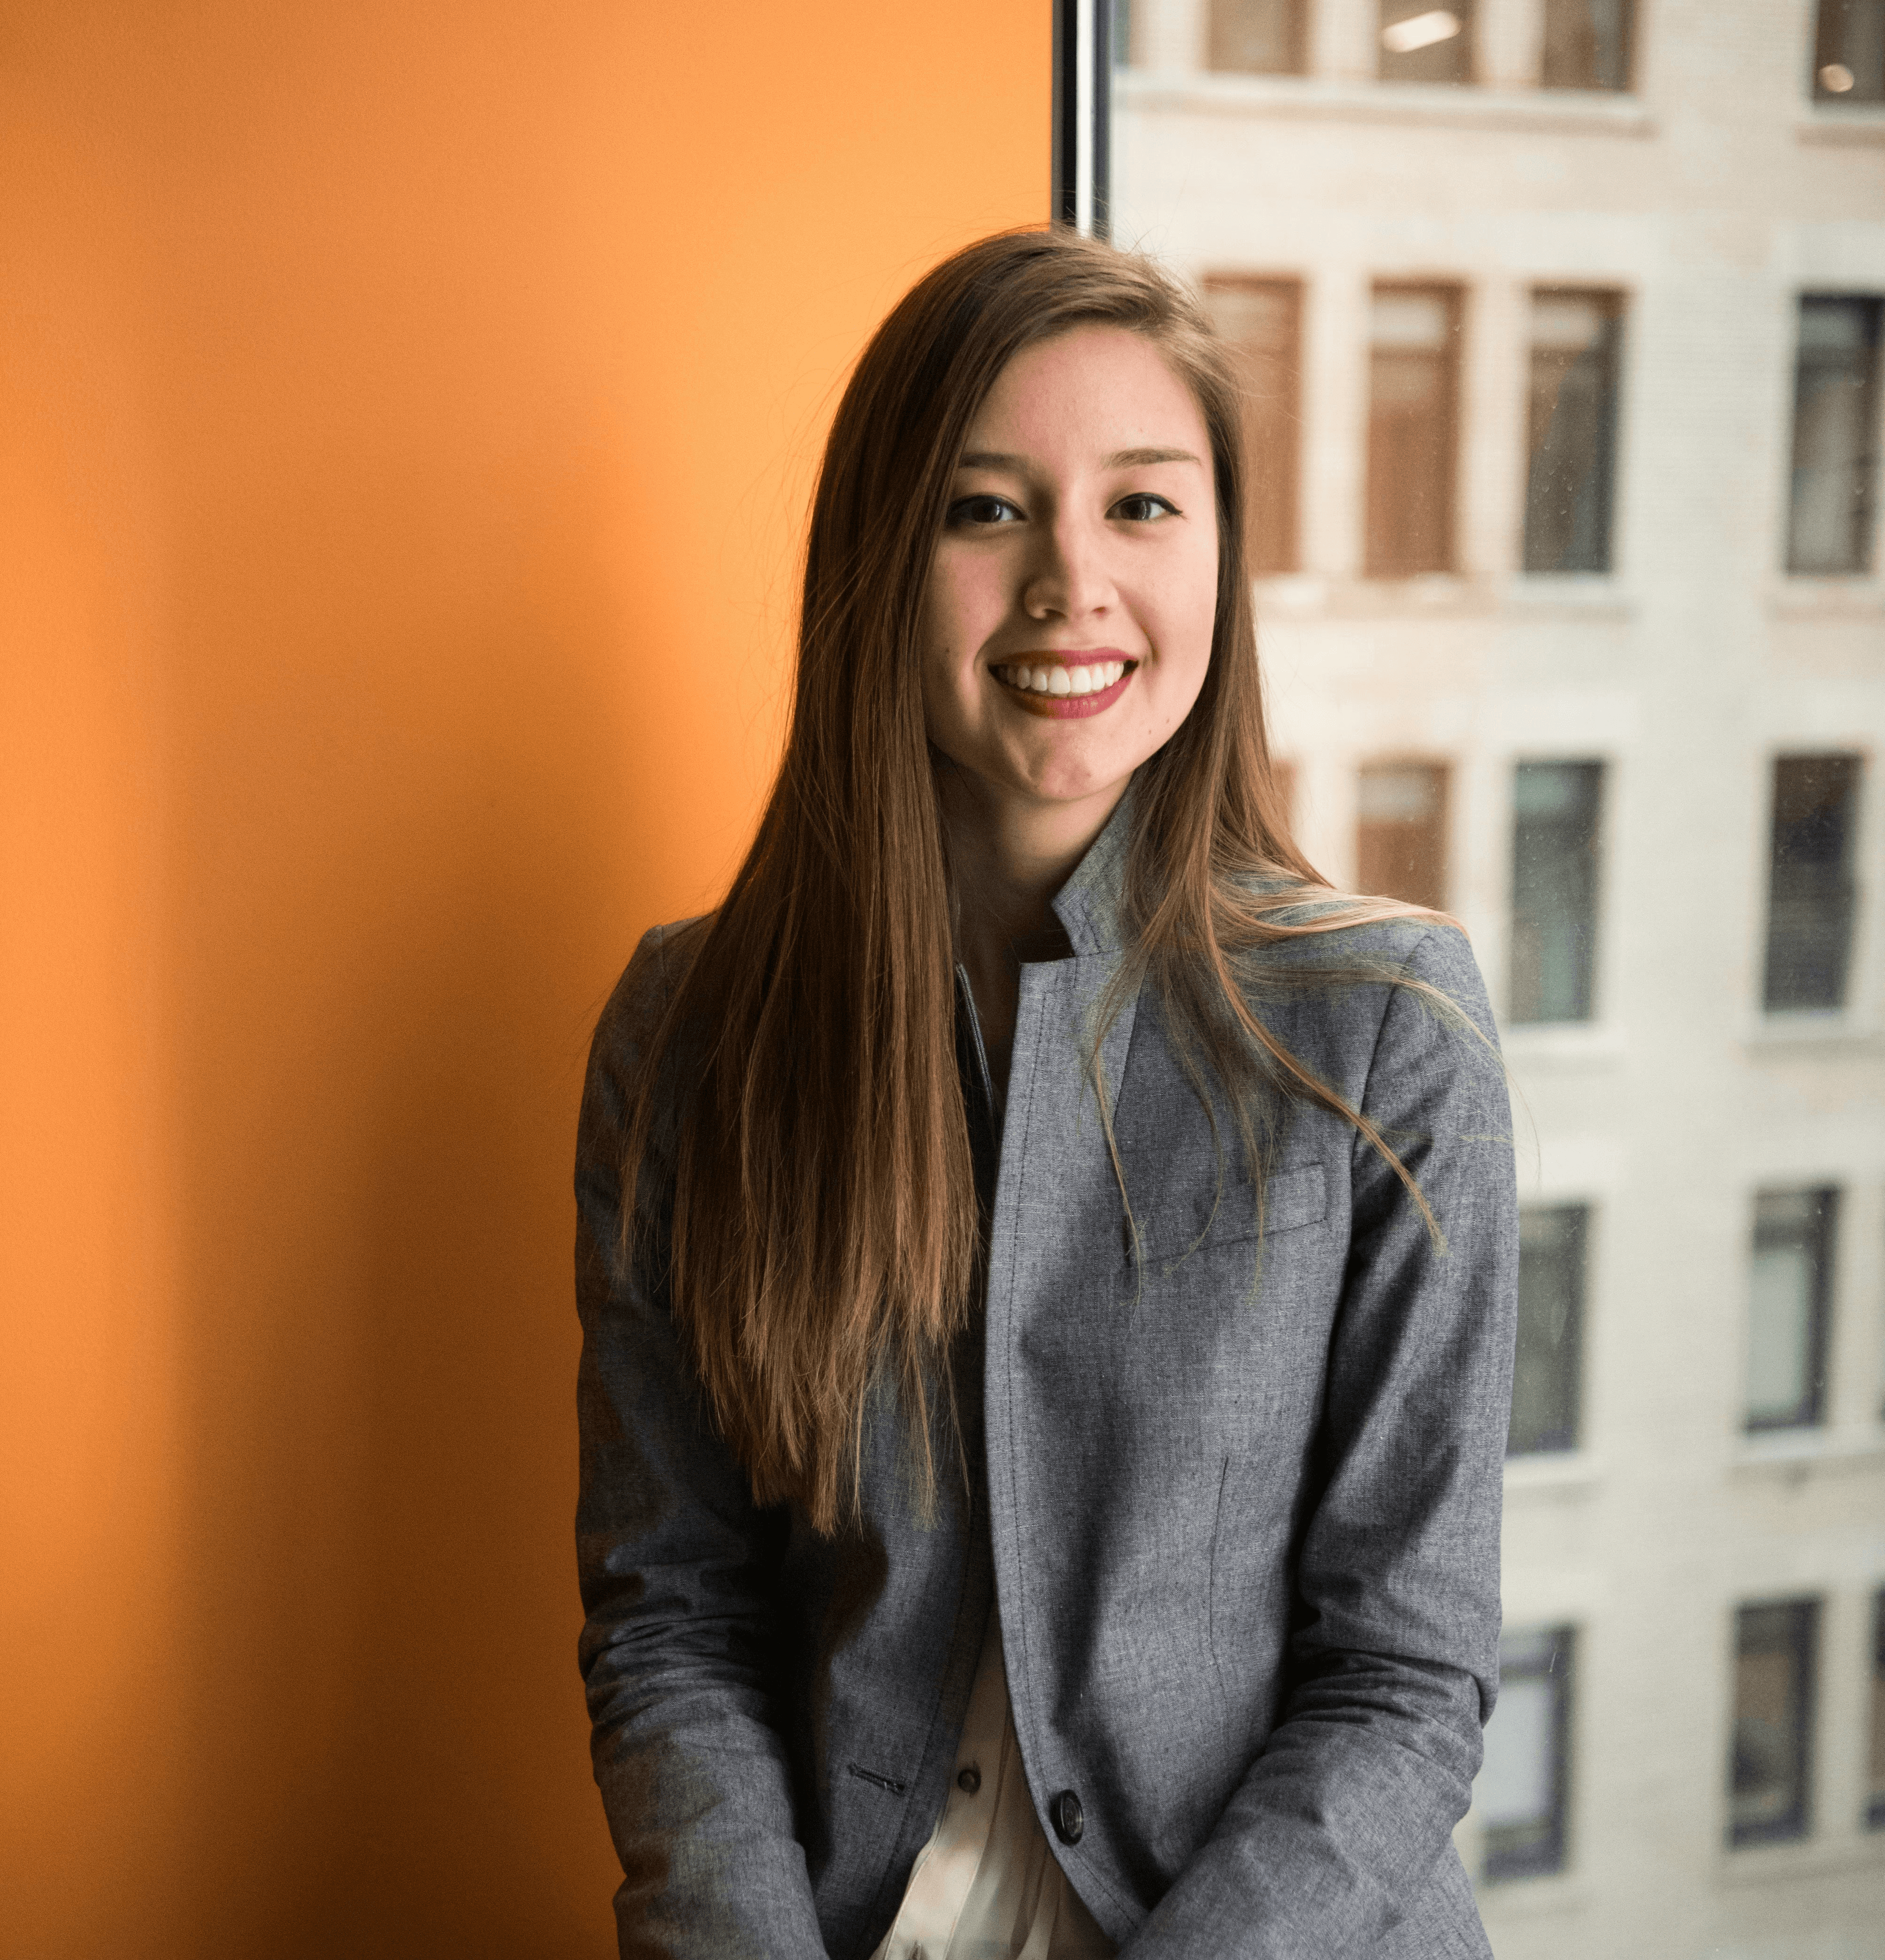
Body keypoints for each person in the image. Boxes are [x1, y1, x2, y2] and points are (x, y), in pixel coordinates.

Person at [573, 227, 1517, 1960]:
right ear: (881, 558)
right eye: (986, 508)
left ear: (1220, 555)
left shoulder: (1390, 1028)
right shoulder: (691, 1029)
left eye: (1142, 505)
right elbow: (675, 1618)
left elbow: (1403, 1675)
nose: (1071, 581)